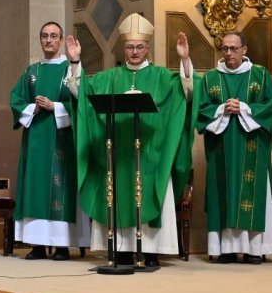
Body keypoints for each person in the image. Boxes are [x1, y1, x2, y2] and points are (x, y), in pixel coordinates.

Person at [68, 15, 195, 265]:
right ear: (123, 49)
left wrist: (184, 59)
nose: (134, 52)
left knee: (148, 191)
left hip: (151, 153)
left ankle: (150, 251)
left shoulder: (161, 76)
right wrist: (75, 61)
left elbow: (187, 92)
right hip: (117, 156)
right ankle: (122, 250)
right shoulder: (109, 77)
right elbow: (82, 93)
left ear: (147, 48)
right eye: (129, 47)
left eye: (139, 47)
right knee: (120, 192)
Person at [196, 31, 272, 264]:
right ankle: (225, 249)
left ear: (245, 50)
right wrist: (222, 109)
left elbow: (271, 108)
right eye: (224, 48)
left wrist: (243, 107)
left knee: (250, 192)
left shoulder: (261, 75)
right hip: (220, 146)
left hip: (251, 145)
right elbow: (202, 112)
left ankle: (254, 249)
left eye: (233, 48)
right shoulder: (210, 78)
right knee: (223, 192)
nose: (229, 53)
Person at [9, 22, 81, 260]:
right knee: (35, 186)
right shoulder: (32, 72)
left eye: (53, 36)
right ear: (40, 40)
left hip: (61, 138)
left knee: (59, 186)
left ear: (60, 40)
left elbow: (82, 101)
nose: (48, 40)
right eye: (44, 36)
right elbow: (16, 100)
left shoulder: (70, 69)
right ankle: (37, 245)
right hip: (36, 139)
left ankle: (61, 245)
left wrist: (55, 106)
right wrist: (34, 109)